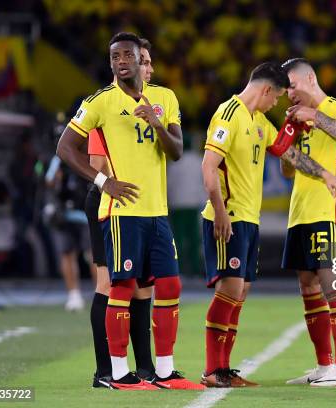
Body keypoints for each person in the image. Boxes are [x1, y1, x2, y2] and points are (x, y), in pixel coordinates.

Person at [56, 32, 203, 390]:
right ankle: (114, 372)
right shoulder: (101, 103)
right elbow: (69, 149)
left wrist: (155, 123)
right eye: (114, 57)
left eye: (129, 56)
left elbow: (177, 150)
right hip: (118, 209)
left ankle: (160, 371)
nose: (122, 62)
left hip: (158, 211)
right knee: (116, 285)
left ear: (141, 60)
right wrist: (105, 182)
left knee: (164, 285)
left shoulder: (164, 98)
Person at [200, 61, 336, 388]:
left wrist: (325, 174)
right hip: (229, 217)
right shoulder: (228, 113)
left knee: (241, 291)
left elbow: (288, 154)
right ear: (266, 90)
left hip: (250, 220)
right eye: (277, 97)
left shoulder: (260, 122)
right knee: (230, 289)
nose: (277, 103)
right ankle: (213, 369)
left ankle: (224, 369)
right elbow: (209, 167)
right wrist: (220, 212)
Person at [279, 58, 336, 387]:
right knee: (308, 287)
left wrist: (313, 115)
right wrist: (291, 140)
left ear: (309, 79)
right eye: (285, 91)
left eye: (292, 87)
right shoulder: (298, 119)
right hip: (299, 211)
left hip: (327, 210)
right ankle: (324, 365)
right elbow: (287, 169)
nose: (289, 95)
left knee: (331, 282)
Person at [86, 38, 157, 388]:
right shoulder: (108, 108)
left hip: (141, 206)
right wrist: (108, 184)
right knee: (110, 284)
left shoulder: (152, 104)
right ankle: (105, 371)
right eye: (143, 61)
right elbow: (97, 163)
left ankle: (145, 368)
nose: (149, 68)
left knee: (144, 286)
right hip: (110, 201)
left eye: (145, 61)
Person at [44, 151, 94, 312]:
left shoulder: (92, 154)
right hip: (65, 214)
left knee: (94, 256)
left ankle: (101, 292)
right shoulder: (59, 157)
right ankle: (73, 294)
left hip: (87, 213)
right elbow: (48, 180)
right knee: (67, 254)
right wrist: (58, 179)